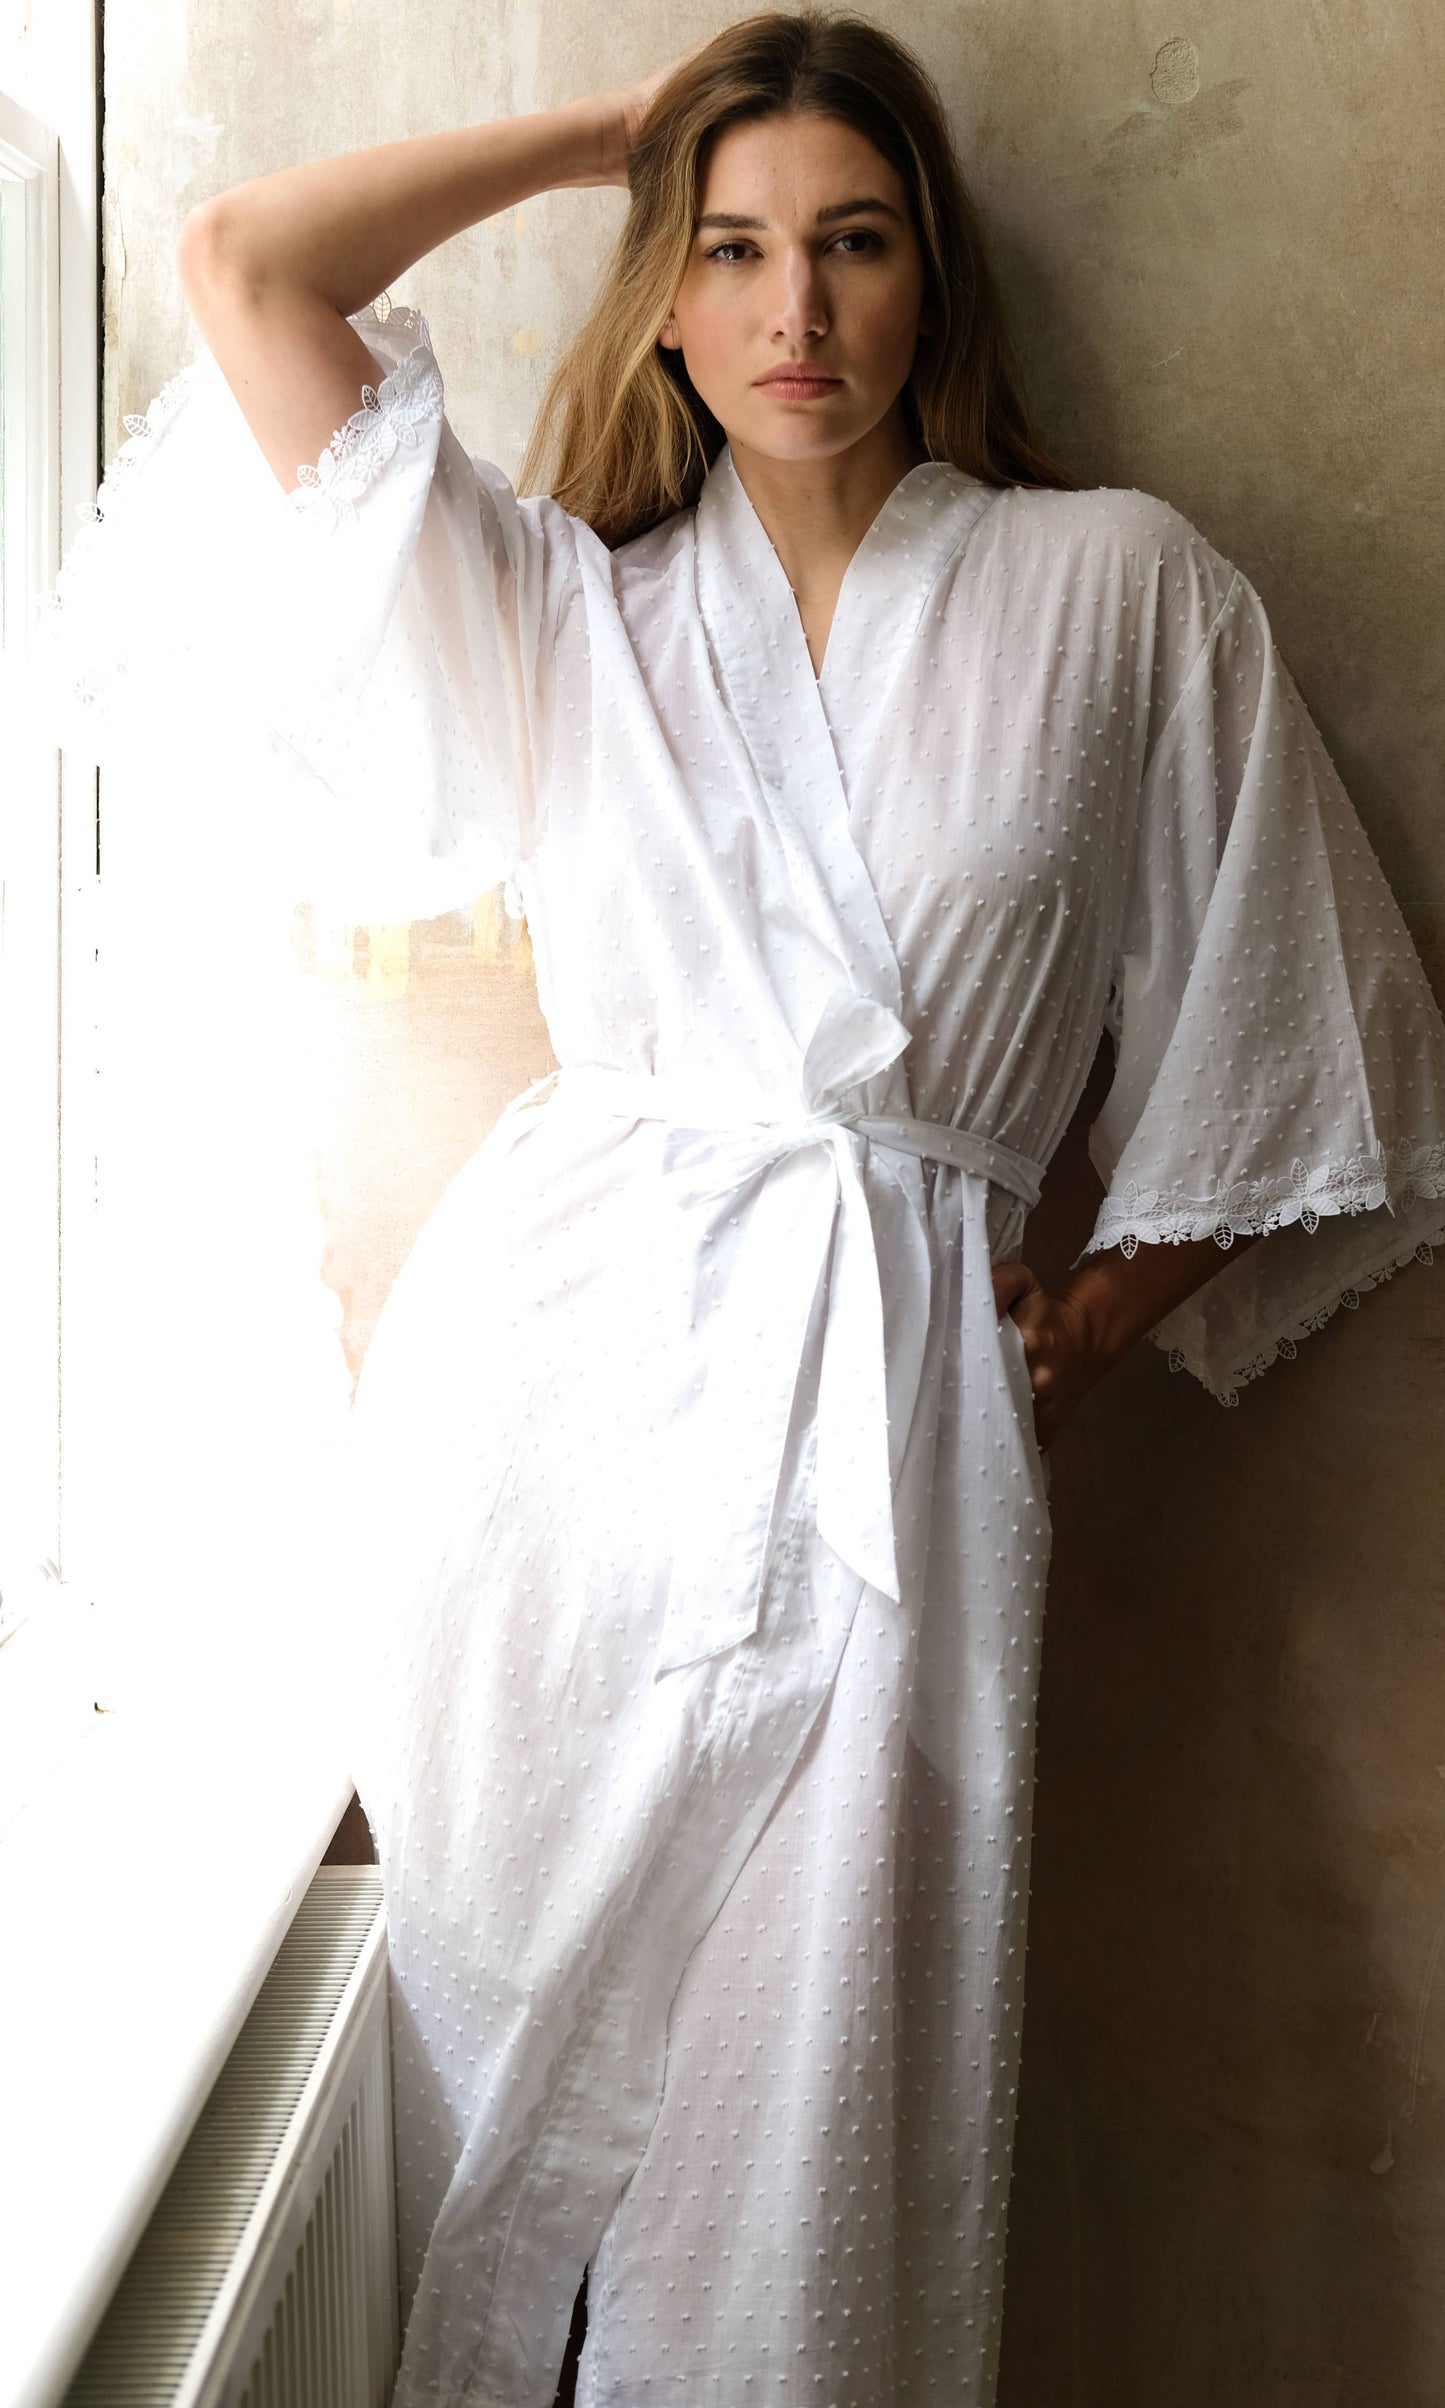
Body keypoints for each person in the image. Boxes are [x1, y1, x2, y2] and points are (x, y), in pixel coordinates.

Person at [16, 11, 1445, 2404]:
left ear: (930, 280)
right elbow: (248, 263)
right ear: (666, 296)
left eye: (855, 244)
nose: (799, 309)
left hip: (902, 1428)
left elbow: (1305, 1015)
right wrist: (622, 130)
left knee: (817, 2128)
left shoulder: (1119, 593)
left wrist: (1096, 1318)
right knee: (498, 2101)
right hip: (551, 1429)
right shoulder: (567, 610)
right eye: (736, 248)